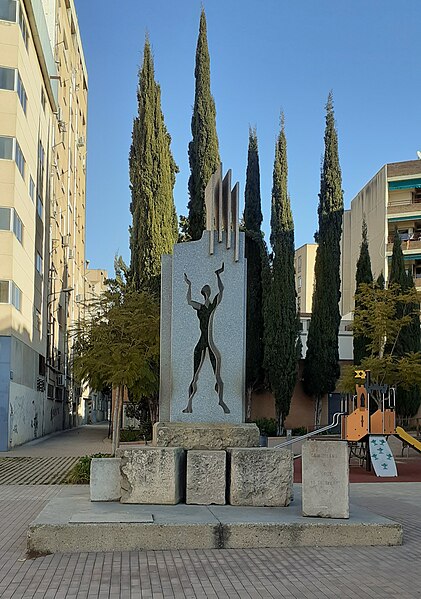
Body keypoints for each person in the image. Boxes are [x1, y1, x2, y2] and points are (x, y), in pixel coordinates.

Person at [182, 263, 229, 414]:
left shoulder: (212, 306)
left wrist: (218, 275)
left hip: (211, 343)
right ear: (203, 293)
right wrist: (188, 285)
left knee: (217, 375)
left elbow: (221, 290)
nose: (207, 292)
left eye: (208, 290)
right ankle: (188, 405)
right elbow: (189, 301)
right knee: (194, 375)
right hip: (202, 342)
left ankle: (221, 401)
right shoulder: (201, 308)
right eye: (206, 291)